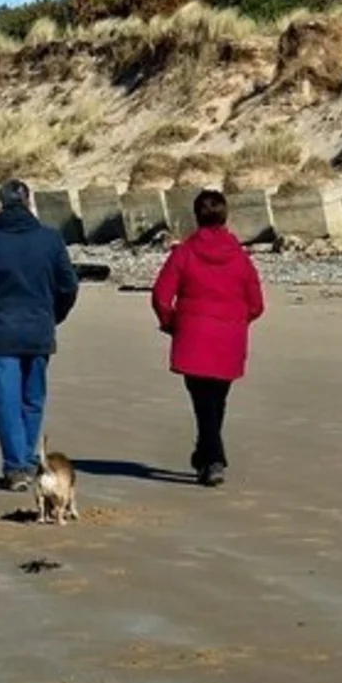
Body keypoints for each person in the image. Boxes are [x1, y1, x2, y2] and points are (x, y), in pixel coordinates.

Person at [0, 179, 81, 491]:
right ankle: (24, 460)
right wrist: (54, 317)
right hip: (38, 329)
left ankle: (17, 467)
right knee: (32, 399)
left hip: (0, 332)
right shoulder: (50, 240)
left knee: (7, 400)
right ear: (29, 203)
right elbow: (68, 286)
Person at [149, 189, 265, 487]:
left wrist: (172, 323)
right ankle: (208, 455)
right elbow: (256, 304)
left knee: (204, 402)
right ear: (225, 216)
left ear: (196, 217)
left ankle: (212, 458)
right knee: (215, 401)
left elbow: (161, 296)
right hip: (228, 337)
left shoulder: (184, 253)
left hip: (195, 335)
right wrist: (238, 322)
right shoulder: (239, 258)